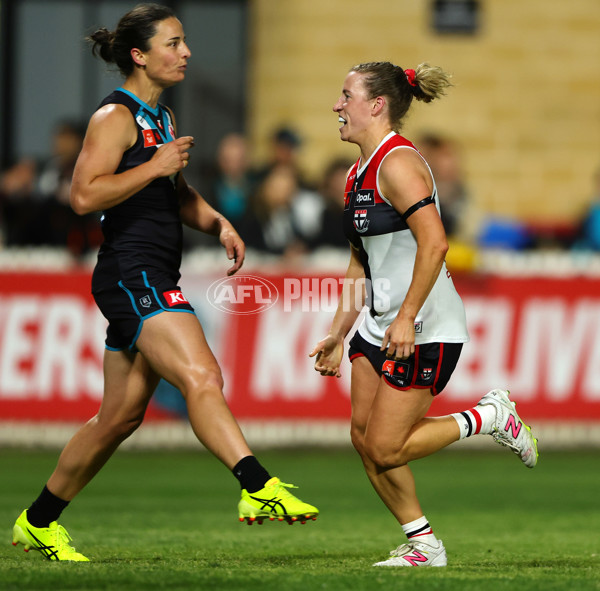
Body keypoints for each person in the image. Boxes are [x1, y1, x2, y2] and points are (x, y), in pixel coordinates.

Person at [11, 3, 317, 563]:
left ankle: (37, 522)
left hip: (151, 273)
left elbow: (172, 197)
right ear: (139, 56)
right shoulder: (115, 118)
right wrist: (153, 167)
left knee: (119, 418)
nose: (186, 53)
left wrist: (217, 221)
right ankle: (257, 486)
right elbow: (83, 196)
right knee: (202, 372)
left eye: (184, 42)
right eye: (173, 44)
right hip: (133, 274)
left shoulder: (162, 118)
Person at [309, 61, 538, 568]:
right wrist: (336, 332)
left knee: (388, 448)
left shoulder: (399, 164)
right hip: (378, 322)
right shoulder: (355, 174)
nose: (336, 106)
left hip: (425, 325)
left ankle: (488, 416)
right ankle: (424, 544)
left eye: (346, 95)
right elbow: (359, 260)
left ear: (376, 105)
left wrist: (408, 316)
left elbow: (436, 243)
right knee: (364, 440)